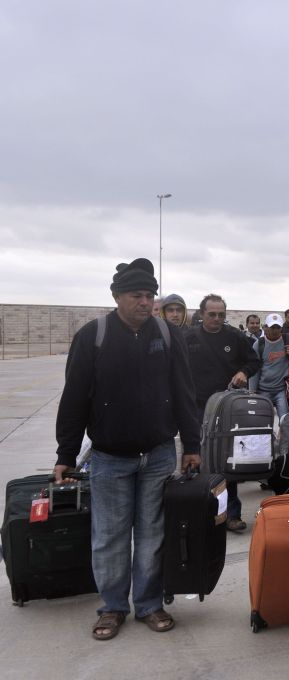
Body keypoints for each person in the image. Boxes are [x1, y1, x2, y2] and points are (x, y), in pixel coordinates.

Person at [54, 257, 200, 641]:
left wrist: (193, 444)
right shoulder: (93, 336)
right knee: (110, 537)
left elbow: (185, 393)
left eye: (150, 295)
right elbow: (73, 400)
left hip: (158, 454)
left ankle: (150, 605)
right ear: (117, 296)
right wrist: (65, 456)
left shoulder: (169, 335)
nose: (145, 302)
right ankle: (113, 607)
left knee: (152, 534)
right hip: (109, 458)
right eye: (137, 295)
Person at [184, 294, 260, 533]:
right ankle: (197, 510)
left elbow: (253, 361)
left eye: (221, 315)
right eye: (212, 314)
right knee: (196, 455)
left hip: (227, 405)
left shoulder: (235, 337)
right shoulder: (188, 337)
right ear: (202, 314)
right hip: (196, 405)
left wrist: (243, 372)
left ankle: (231, 514)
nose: (217, 319)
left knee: (227, 459)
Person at [251, 313, 289, 419]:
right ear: (265, 327)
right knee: (263, 422)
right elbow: (254, 369)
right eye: (272, 327)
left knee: (285, 421)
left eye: (278, 327)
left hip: (282, 390)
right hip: (263, 390)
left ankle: (283, 434)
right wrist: (252, 392)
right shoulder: (259, 344)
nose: (275, 330)